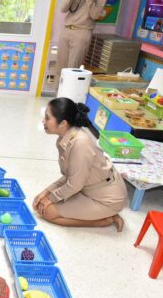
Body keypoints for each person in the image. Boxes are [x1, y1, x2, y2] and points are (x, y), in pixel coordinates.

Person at [33, 97, 127, 231]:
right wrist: (46, 192)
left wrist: (50, 198)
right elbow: (71, 176)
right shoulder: (64, 139)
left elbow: (74, 184)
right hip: (87, 189)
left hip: (106, 199)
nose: (43, 121)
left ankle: (104, 220)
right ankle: (99, 214)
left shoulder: (80, 143)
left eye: (47, 118)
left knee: (47, 211)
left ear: (63, 123)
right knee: (40, 204)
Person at [56, 0, 107, 80]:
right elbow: (63, 9)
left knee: (72, 70)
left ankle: (69, 92)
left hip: (82, 32)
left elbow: (95, 15)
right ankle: (58, 91)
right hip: (66, 29)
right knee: (60, 69)